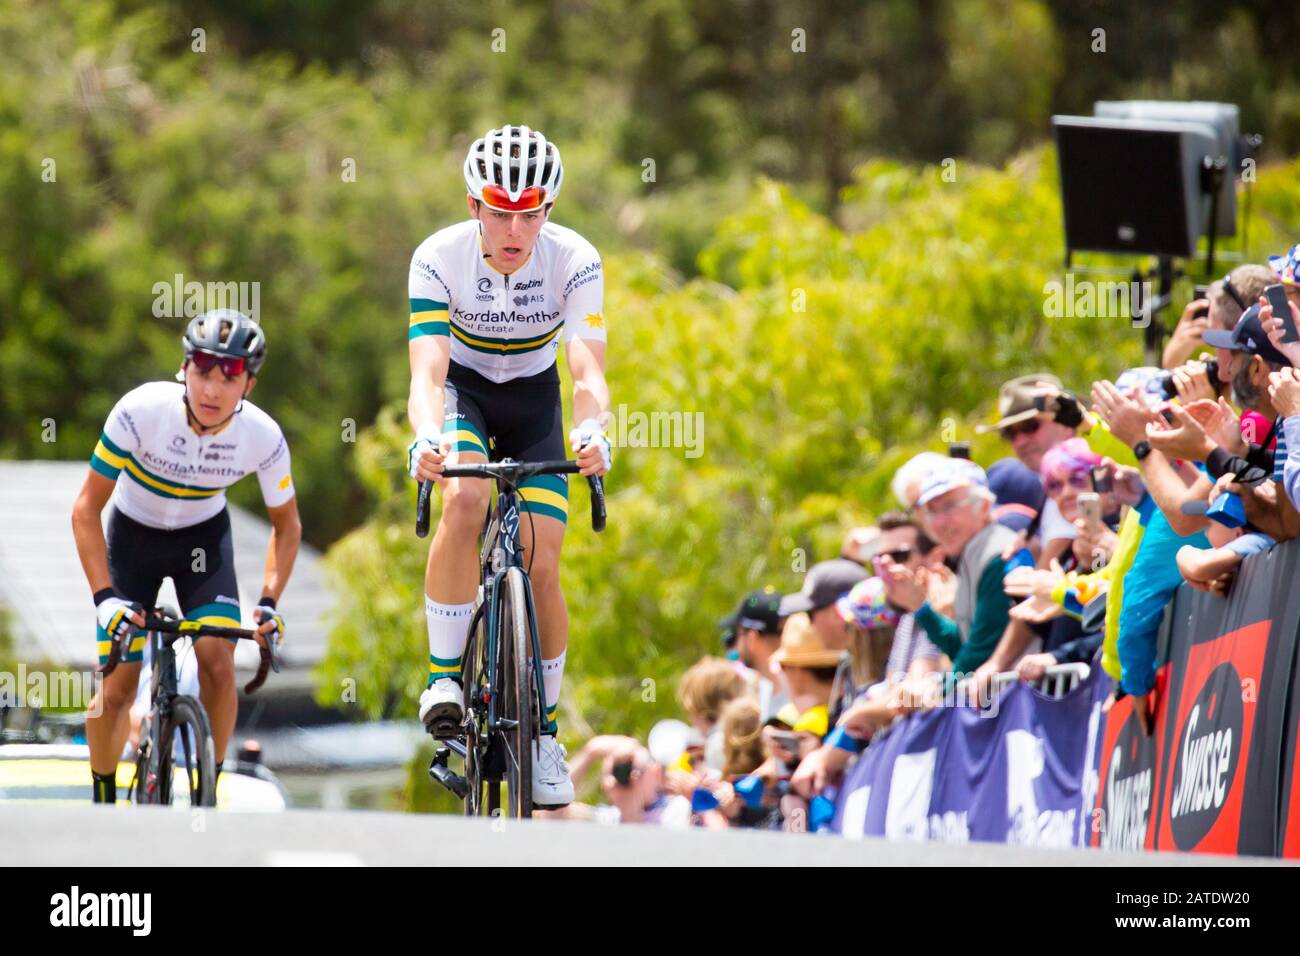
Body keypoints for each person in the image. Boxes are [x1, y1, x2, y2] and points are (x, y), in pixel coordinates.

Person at [405, 125, 612, 807]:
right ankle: (443, 676)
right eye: (500, 210)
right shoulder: (438, 257)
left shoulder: (574, 258)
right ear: (474, 207)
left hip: (533, 400)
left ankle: (545, 734)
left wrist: (591, 427)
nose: (515, 228)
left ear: (548, 211)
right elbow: (429, 368)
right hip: (463, 394)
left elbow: (585, 366)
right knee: (465, 501)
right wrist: (428, 437)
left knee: (543, 558)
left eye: (530, 213)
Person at [71, 310, 300, 804]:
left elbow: (288, 527)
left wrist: (268, 603)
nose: (213, 389)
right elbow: (86, 509)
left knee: (218, 662)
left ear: (249, 385)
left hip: (201, 543)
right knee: (117, 689)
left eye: (230, 375)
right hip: (133, 540)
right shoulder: (140, 412)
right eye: (202, 369)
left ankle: (207, 792)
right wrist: (104, 599)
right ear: (184, 368)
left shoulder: (263, 437)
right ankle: (103, 799)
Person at [878, 458, 1023, 677]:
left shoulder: (998, 555)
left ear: (983, 506)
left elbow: (977, 657)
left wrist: (938, 695)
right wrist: (919, 606)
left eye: (949, 507)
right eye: (931, 511)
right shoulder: (971, 554)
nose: (939, 522)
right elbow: (963, 647)